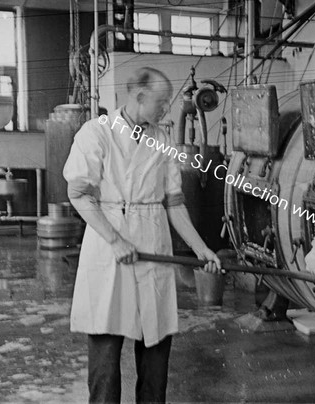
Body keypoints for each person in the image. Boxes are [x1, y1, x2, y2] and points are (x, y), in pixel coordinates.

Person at [63, 66, 221, 403]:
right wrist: (116, 241)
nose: (166, 109)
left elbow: (174, 203)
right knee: (105, 359)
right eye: (161, 102)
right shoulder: (97, 133)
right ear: (139, 96)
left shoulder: (162, 140)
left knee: (156, 353)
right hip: (110, 248)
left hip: (152, 243)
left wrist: (201, 249)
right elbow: (79, 194)